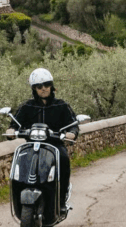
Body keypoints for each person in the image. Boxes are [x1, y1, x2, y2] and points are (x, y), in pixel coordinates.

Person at [6, 68, 79, 215]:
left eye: (46, 84)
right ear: (34, 89)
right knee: (18, 165)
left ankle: (61, 200)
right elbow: (15, 124)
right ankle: (18, 201)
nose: (43, 88)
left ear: (51, 86)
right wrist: (11, 130)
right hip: (31, 146)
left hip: (54, 145)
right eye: (39, 86)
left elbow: (73, 124)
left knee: (64, 159)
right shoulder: (27, 106)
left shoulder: (61, 105)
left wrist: (72, 133)